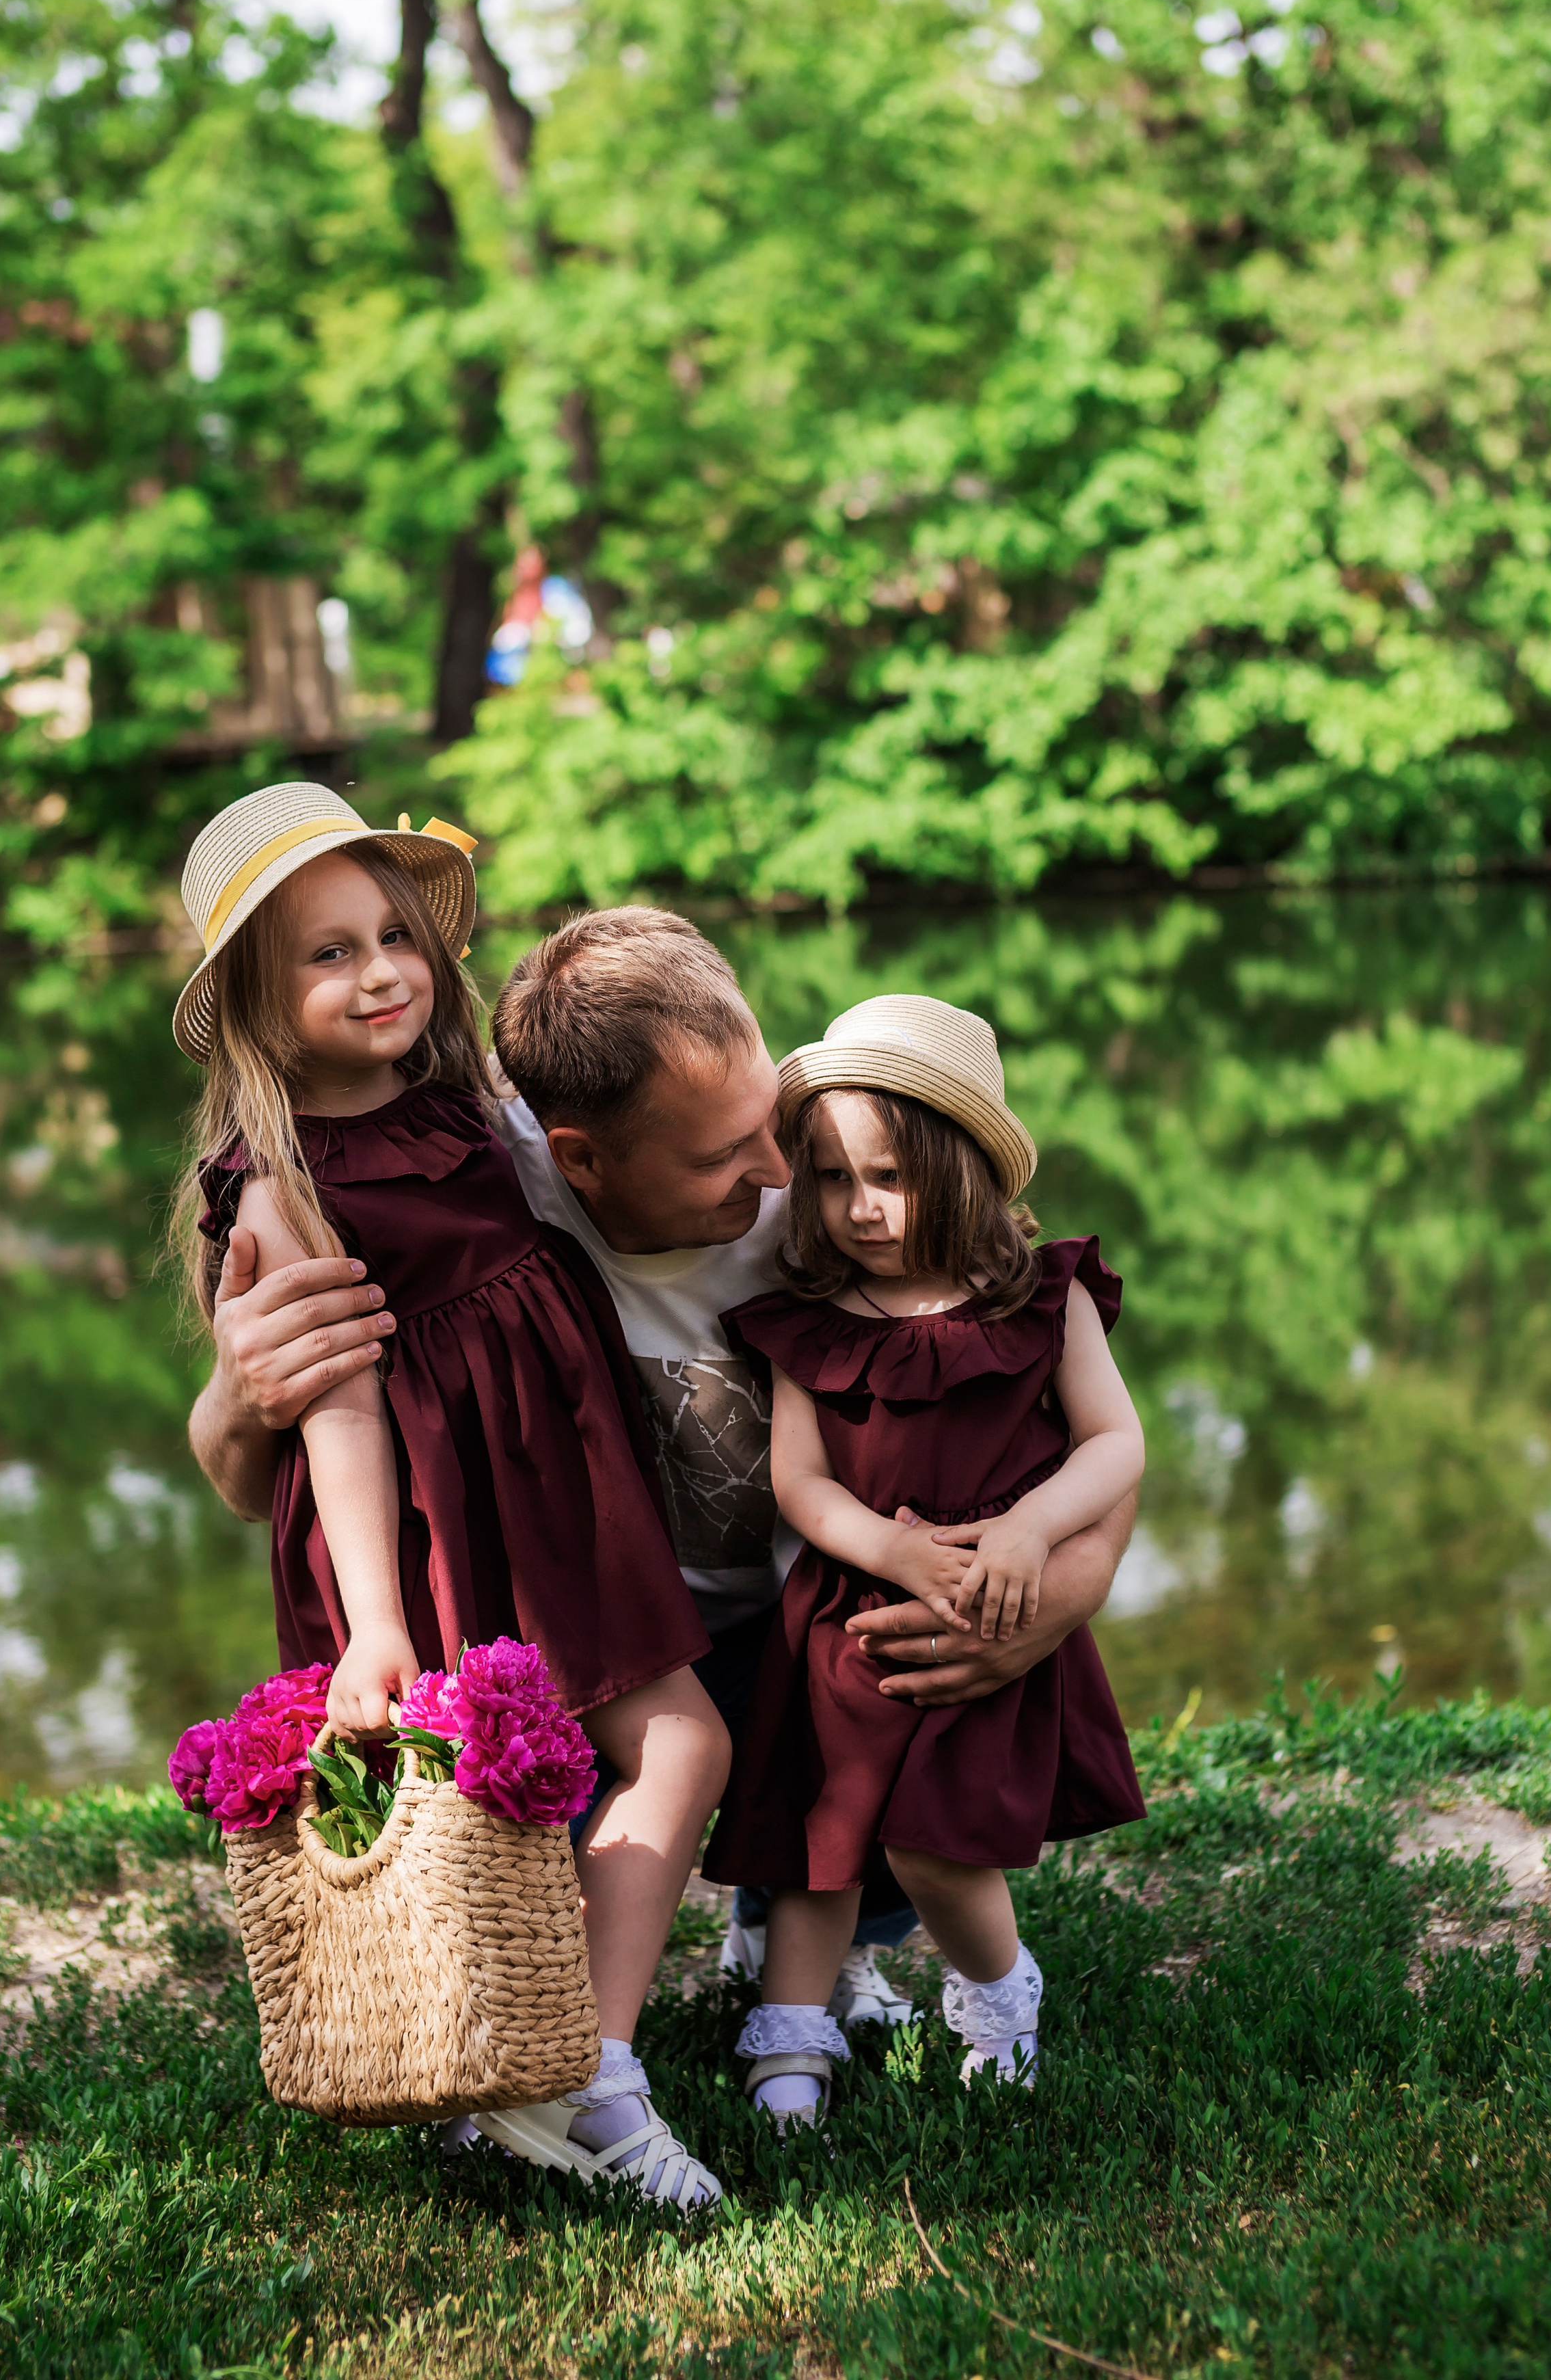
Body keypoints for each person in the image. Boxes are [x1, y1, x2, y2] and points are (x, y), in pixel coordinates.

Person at [186, 910, 1140, 2046]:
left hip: (815, 1623)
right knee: (545, 1826)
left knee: (894, 1716)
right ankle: (580, 2032)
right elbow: (260, 1486)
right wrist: (236, 1398)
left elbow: (1054, 1395)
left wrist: (1062, 1597)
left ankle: (812, 1928)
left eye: (771, 1127)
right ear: (577, 1154)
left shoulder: (842, 1190)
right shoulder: (488, 1199)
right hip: (614, 1645)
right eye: (720, 1159)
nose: (783, 1171)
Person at [172, 785, 727, 2209]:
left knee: (670, 1744)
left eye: (394, 936)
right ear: (250, 996)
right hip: (413, 1523)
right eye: (328, 953)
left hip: (554, 1491)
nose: (381, 972)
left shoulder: (463, 1099)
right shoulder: (277, 1179)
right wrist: (371, 1624)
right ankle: (533, 2072)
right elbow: (335, 1403)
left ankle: (564, 2060)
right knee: (492, 1795)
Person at [704, 994, 1146, 2130]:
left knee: (933, 1838)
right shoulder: (812, 1320)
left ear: (965, 1171)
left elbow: (1115, 1443)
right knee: (820, 1832)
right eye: (833, 1178)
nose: (860, 1208)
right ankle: (791, 2028)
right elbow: (800, 1483)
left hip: (991, 1602)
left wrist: (1027, 1532)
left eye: (890, 1176)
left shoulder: (1044, 1301)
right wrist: (891, 1545)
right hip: (847, 1610)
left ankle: (998, 1993)